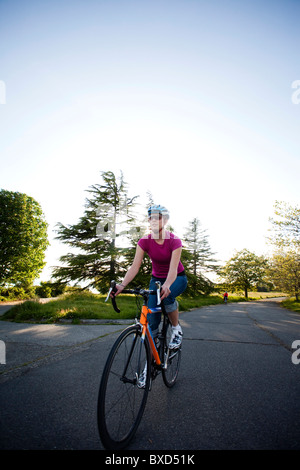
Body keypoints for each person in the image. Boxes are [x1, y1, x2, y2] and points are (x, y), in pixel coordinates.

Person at [113, 204, 188, 350]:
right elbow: (135, 267)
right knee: (152, 320)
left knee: (167, 297)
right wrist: (122, 285)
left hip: (177, 278)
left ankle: (176, 328)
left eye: (158, 218)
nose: (153, 220)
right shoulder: (144, 242)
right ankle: (151, 362)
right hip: (156, 280)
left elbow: (173, 270)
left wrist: (167, 285)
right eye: (151, 218)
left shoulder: (174, 241)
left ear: (165, 220)